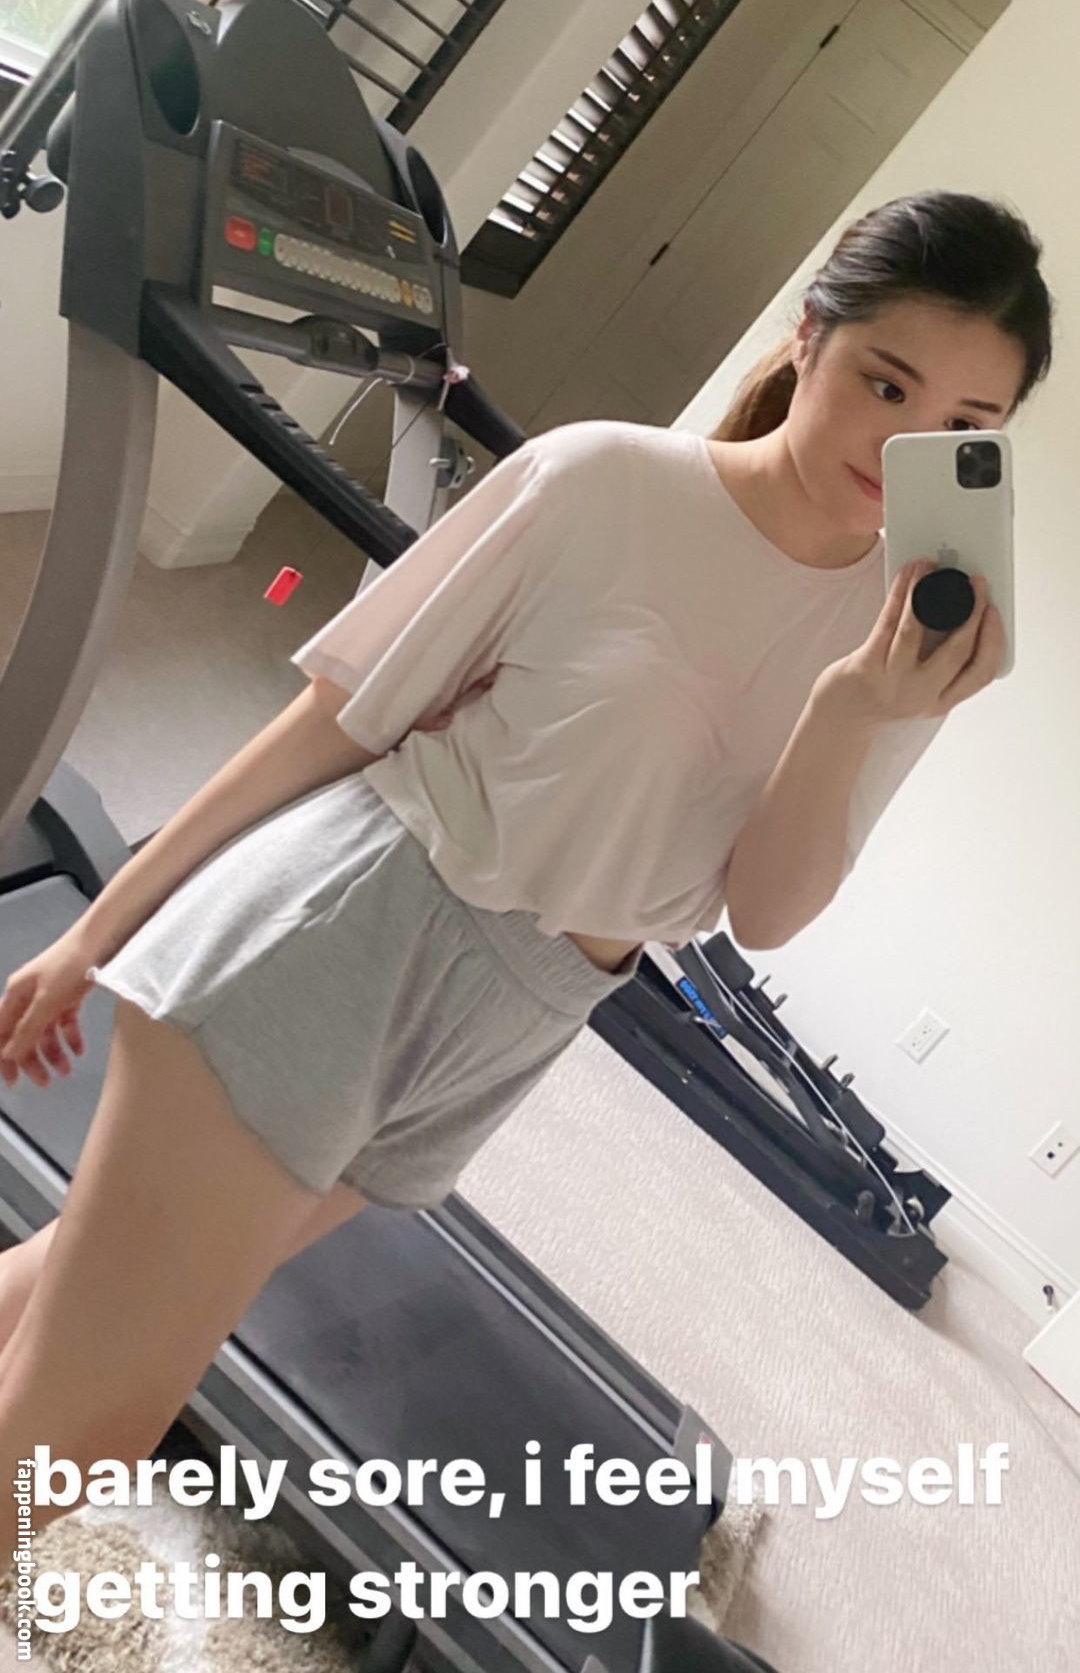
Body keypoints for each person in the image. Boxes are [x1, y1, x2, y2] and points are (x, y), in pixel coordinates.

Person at [0, 193, 1053, 1586]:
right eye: (888, 383)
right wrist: (100, 927)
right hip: (355, 927)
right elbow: (343, 713)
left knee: (78, 1289)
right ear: (811, 338)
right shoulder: (605, 482)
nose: (904, 440)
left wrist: (854, 709)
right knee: (89, 1421)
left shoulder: (909, 643)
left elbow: (763, 912)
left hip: (522, 1023)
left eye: (965, 424)